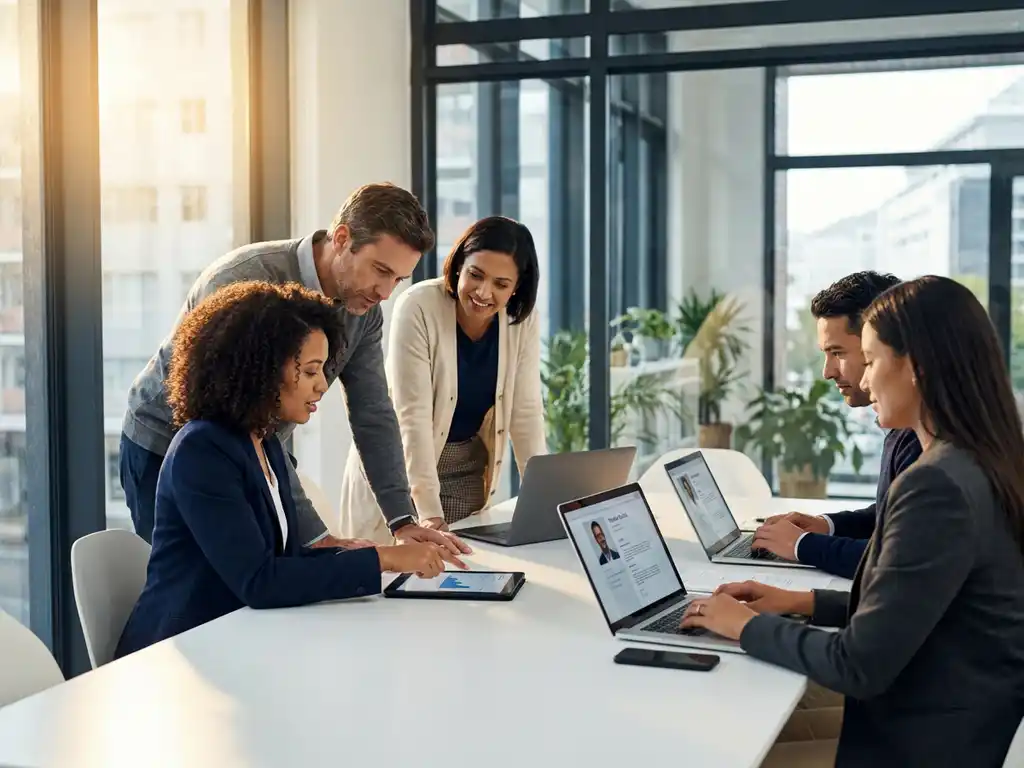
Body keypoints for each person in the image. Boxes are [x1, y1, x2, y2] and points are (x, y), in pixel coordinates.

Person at [682, 275, 1024, 767]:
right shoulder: (980, 461)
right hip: (948, 721)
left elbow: (858, 665)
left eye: (873, 360)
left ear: (917, 368)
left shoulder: (938, 486)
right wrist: (797, 601)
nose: (863, 379)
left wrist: (743, 626)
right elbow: (920, 608)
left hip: (915, 744)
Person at [115, 282, 467, 658]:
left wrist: (357, 553)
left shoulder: (263, 439)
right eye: (312, 370)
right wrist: (383, 558)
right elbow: (260, 580)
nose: (321, 386)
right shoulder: (201, 450)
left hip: (239, 640)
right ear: (262, 368)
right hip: (177, 655)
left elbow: (282, 560)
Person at [119, 182, 469, 559]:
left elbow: (373, 412)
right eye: (380, 270)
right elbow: (231, 417)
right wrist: (316, 537)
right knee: (200, 593)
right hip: (165, 444)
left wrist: (402, 520)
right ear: (341, 238)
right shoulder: (244, 279)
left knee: (262, 584)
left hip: (259, 451)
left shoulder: (364, 313)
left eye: (398, 279)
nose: (385, 292)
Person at [338, 216, 546, 541]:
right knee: (401, 583)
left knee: (468, 578)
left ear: (517, 286)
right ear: (460, 264)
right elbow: (413, 418)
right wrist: (429, 515)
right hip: (403, 476)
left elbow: (526, 414)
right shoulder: (418, 306)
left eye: (501, 284)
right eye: (476, 275)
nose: (483, 292)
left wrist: (544, 508)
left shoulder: (521, 320)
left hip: (467, 478)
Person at [752, 272, 922, 578]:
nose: (827, 372)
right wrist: (825, 526)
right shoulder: (907, 427)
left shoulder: (930, 445)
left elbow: (900, 562)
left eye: (838, 353)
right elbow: (893, 518)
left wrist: (803, 545)